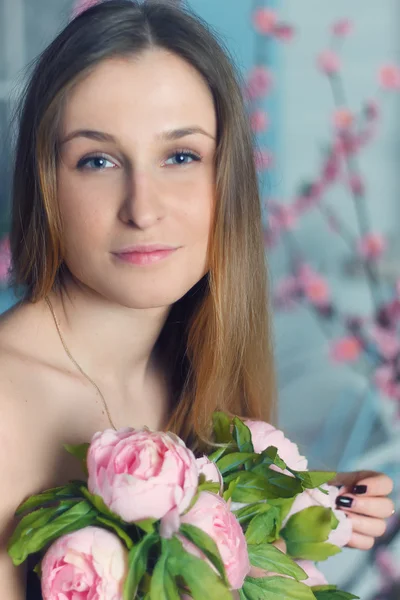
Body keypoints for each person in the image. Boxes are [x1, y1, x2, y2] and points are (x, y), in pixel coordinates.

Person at [0, 1, 394, 597]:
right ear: (46, 181)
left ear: (226, 178)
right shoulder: (8, 406)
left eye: (180, 156)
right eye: (97, 160)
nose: (143, 207)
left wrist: (272, 525)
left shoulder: (190, 365)